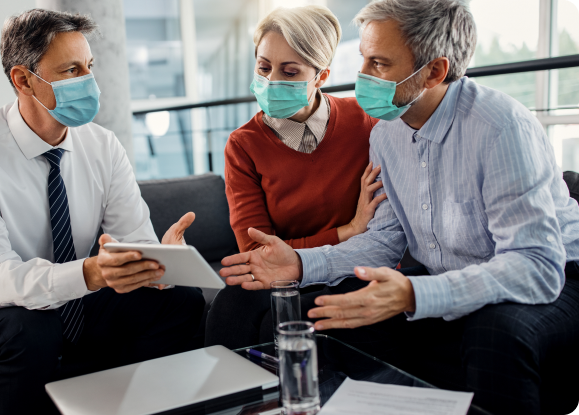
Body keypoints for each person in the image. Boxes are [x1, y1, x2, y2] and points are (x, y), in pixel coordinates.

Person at [219, 0, 579, 414]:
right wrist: (300, 263)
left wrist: (413, 293)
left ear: (433, 72)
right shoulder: (387, 135)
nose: (362, 78)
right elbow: (384, 242)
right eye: (363, 61)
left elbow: (535, 265)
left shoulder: (501, 127)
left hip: (557, 278)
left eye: (379, 64)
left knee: (494, 333)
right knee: (322, 314)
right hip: (451, 276)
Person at [0, 9, 205, 415]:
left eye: (89, 67)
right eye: (71, 70)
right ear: (22, 80)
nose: (88, 81)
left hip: (74, 301)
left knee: (181, 303)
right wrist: (90, 273)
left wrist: (160, 262)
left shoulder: (103, 145)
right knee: (29, 326)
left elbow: (132, 240)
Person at [205, 5, 385, 349]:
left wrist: (341, 242)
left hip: (352, 268)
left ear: (321, 76)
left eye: (289, 72)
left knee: (288, 317)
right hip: (280, 276)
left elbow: (385, 229)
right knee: (233, 305)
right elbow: (258, 252)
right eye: (263, 67)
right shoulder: (244, 145)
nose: (272, 81)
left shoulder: (366, 123)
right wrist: (347, 230)